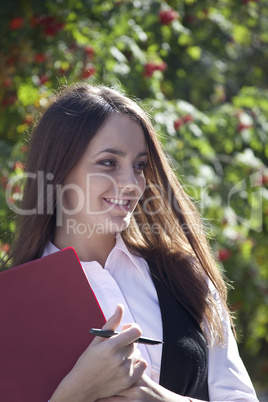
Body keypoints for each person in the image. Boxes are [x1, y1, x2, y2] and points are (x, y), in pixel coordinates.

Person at [7, 83, 258, 401]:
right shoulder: (13, 305)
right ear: (57, 172)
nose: (131, 184)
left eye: (139, 166)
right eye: (109, 163)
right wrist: (75, 392)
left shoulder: (184, 277)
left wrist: (161, 400)